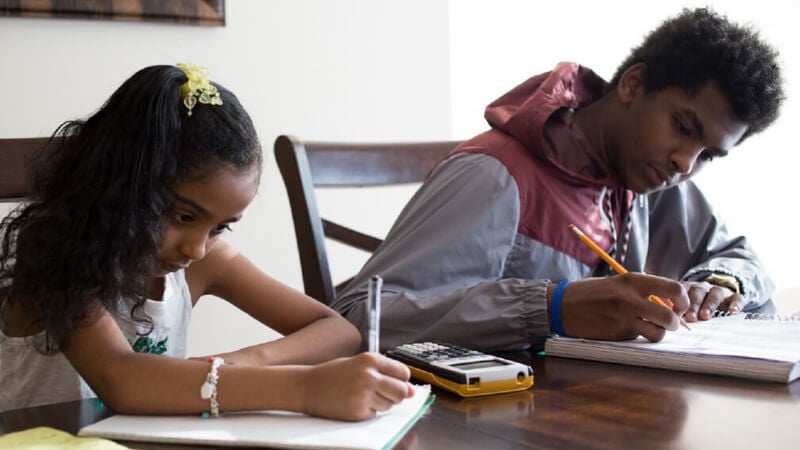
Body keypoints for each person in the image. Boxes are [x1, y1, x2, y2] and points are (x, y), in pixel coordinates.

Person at [331, 8, 785, 352]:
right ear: (632, 85)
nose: (686, 163)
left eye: (709, 154)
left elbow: (737, 254)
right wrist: (550, 307)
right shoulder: (494, 176)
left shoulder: (646, 181)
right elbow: (353, 319)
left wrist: (722, 282)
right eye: (684, 128)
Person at [0, 64, 413, 418]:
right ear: (121, 187)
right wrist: (304, 388)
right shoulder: (55, 252)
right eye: (183, 216)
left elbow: (336, 329)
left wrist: (234, 365)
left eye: (220, 227)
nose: (196, 248)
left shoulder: (202, 261)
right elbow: (120, 378)